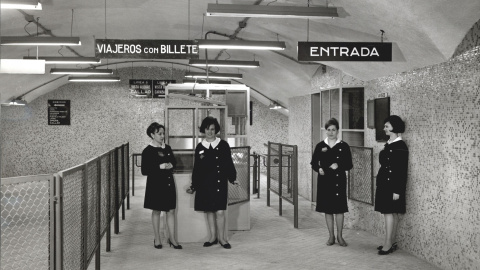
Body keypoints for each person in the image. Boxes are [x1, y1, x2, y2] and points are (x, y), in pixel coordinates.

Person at [186, 116, 239, 249]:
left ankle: (222, 238)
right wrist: (194, 185)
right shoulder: (200, 147)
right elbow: (197, 168)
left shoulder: (223, 145)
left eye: (212, 129)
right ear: (203, 130)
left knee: (220, 211)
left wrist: (233, 178)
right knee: (209, 211)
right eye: (207, 129)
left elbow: (228, 164)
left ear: (216, 130)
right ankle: (212, 237)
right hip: (205, 184)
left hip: (219, 182)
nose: (210, 132)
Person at [310, 118, 353, 247]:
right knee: (328, 210)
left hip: (338, 181)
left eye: (333, 130)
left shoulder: (343, 146)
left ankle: (340, 236)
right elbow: (313, 163)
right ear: (325, 131)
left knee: (339, 210)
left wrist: (338, 165)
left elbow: (349, 165)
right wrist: (319, 169)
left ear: (337, 131)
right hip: (325, 181)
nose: (331, 132)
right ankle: (331, 236)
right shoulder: (320, 146)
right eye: (328, 130)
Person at [141, 122, 182, 250]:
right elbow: (144, 170)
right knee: (157, 211)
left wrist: (171, 165)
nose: (162, 136)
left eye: (163, 133)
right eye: (159, 134)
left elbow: (174, 162)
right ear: (152, 135)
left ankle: (173, 239)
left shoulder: (167, 148)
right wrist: (159, 167)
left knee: (170, 211)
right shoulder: (147, 151)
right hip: (155, 185)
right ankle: (157, 238)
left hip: (168, 183)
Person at [374, 115, 408, 255]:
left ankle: (388, 243)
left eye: (387, 126)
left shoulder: (400, 146)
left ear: (394, 127)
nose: (384, 129)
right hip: (385, 184)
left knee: (389, 213)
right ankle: (390, 241)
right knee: (389, 213)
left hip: (392, 186)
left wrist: (397, 190)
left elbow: (401, 170)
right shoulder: (390, 143)